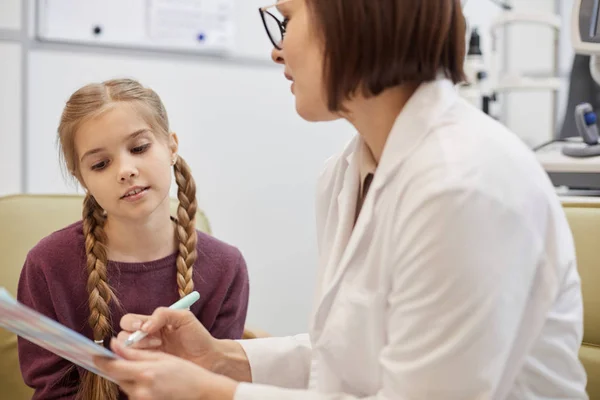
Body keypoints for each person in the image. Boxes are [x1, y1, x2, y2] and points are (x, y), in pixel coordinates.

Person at [96, 0, 589, 399]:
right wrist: (221, 358)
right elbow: (351, 359)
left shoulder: (464, 186)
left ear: (351, 16)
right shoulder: (345, 174)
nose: (277, 50)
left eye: (285, 21)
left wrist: (215, 394)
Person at [17, 78, 250, 400]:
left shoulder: (226, 266)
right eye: (100, 164)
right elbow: (52, 389)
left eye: (139, 148)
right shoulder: (47, 264)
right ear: (81, 177)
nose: (125, 170)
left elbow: (219, 383)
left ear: (171, 146)